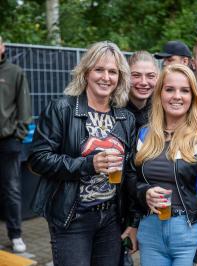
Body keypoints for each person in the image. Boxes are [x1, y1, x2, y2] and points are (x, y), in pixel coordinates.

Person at [29, 41, 138, 266]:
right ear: (86, 72)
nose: (105, 77)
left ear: (120, 77)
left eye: (112, 72)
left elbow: (130, 173)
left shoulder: (125, 118)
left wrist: (133, 220)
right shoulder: (62, 109)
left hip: (111, 219)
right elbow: (38, 158)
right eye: (99, 69)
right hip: (73, 216)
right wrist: (88, 165)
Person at [132, 64, 197, 266]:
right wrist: (144, 193)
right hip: (150, 232)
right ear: (160, 94)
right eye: (170, 89)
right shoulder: (144, 134)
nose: (177, 96)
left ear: (193, 97)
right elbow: (132, 181)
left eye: (185, 90)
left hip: (189, 233)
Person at [0, 35, 31, 253]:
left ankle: (16, 235)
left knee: (10, 189)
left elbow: (24, 108)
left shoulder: (14, 72)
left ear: (2, 47)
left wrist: (18, 136)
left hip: (7, 141)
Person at [126, 50, 159, 129]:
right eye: (136, 75)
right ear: (126, 77)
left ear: (157, 78)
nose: (143, 82)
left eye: (150, 76)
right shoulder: (113, 109)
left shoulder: (162, 111)